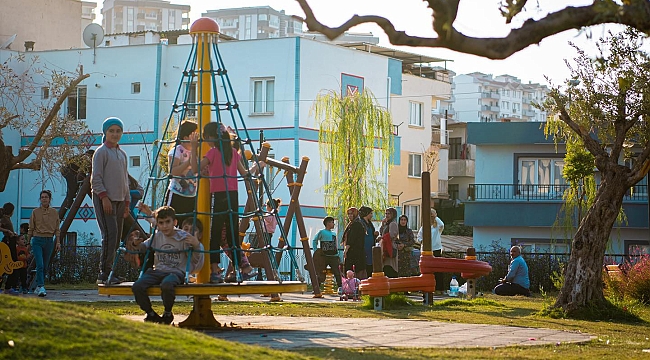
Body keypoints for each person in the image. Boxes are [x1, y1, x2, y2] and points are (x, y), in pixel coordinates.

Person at [190, 122, 256, 283]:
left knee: (215, 234)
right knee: (232, 234)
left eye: (207, 137)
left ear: (213, 137)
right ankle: (241, 268)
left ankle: (215, 270)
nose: (206, 140)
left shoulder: (213, 153)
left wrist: (193, 148)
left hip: (218, 197)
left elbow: (195, 169)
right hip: (233, 197)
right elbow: (245, 173)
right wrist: (256, 166)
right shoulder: (233, 152)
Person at [131, 206, 203, 324]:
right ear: (157, 224)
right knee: (137, 286)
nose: (164, 226)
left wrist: (196, 245)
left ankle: (167, 312)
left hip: (176, 272)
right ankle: (150, 313)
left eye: (168, 222)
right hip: (158, 271)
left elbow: (194, 260)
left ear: (175, 222)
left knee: (167, 284)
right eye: (161, 223)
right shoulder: (157, 236)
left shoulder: (183, 237)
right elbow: (143, 247)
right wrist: (136, 243)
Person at [91, 117, 130, 285]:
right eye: (111, 131)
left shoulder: (122, 154)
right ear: (105, 133)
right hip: (105, 199)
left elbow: (125, 181)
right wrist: (104, 198)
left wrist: (127, 203)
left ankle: (113, 271)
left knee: (117, 237)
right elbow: (96, 179)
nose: (115, 134)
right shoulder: (101, 152)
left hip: (120, 200)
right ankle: (104, 272)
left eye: (118, 131)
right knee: (110, 235)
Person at [28, 190, 61, 297]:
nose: (44, 199)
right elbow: (31, 228)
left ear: (49, 199)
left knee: (45, 265)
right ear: (40, 199)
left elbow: (57, 229)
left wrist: (58, 242)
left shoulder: (54, 212)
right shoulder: (35, 212)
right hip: (38, 239)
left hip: (49, 240)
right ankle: (41, 286)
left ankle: (38, 286)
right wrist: (28, 242)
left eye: (46, 197)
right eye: (42, 197)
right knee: (40, 264)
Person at [166, 121, 198, 225]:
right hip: (177, 193)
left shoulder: (197, 151)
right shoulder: (177, 151)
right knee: (171, 221)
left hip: (191, 195)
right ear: (186, 137)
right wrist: (188, 162)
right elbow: (173, 171)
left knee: (188, 224)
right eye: (194, 135)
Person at [59, 150, 94, 220]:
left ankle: (69, 202)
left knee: (72, 190)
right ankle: (68, 204)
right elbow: (80, 174)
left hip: (70, 171)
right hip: (68, 171)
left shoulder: (84, 159)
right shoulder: (86, 160)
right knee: (72, 190)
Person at [418, 208, 444, 290]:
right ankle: (426, 287)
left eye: (432, 216)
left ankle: (439, 288)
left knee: (438, 270)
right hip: (426, 251)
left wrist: (435, 217)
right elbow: (418, 237)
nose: (431, 217)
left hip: (436, 249)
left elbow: (442, 225)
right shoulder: (424, 227)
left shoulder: (437, 228)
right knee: (426, 270)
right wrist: (422, 241)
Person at [312, 216, 342, 289]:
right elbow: (315, 240)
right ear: (328, 223)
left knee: (337, 272)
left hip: (333, 256)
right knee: (320, 271)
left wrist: (337, 254)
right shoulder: (322, 232)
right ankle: (317, 288)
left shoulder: (334, 234)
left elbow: (334, 244)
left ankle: (340, 287)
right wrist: (316, 251)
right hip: (324, 256)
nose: (333, 224)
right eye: (332, 222)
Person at [343, 206, 369, 279]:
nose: (350, 216)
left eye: (351, 214)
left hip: (355, 252)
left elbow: (351, 239)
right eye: (348, 214)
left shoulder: (356, 224)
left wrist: (346, 250)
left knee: (355, 271)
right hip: (354, 252)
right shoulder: (353, 224)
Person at [1, 202, 20, 295]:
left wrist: (14, 234)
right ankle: (8, 287)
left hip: (11, 240)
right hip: (8, 242)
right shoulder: (4, 219)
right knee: (11, 263)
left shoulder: (7, 219)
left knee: (12, 264)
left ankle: (9, 286)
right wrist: (8, 231)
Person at [379, 207, 399, 278]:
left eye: (389, 214)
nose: (387, 215)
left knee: (390, 266)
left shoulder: (393, 224)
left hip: (390, 247)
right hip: (385, 247)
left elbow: (392, 235)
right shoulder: (387, 224)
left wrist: (383, 238)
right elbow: (381, 232)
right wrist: (383, 224)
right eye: (386, 213)